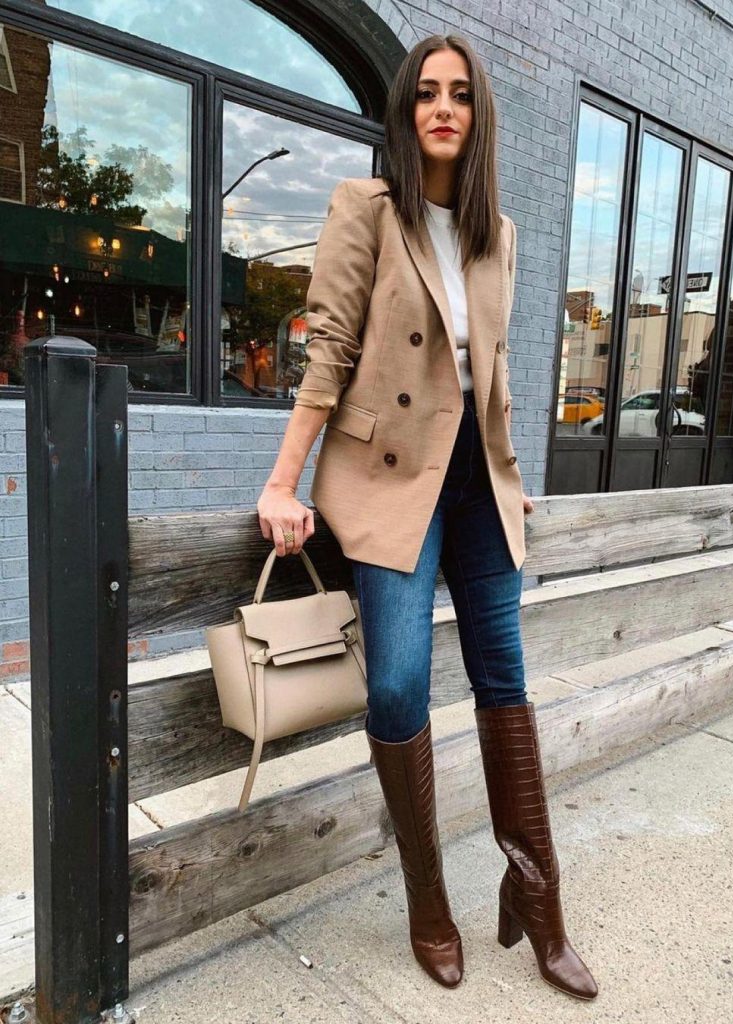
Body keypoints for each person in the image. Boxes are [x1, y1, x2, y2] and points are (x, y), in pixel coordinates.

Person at [256, 33, 598, 1001]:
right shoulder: (364, 207)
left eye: (460, 95)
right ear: (406, 112)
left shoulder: (500, 234)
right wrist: (282, 482)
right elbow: (328, 351)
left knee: (505, 682)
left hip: (478, 487)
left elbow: (491, 375)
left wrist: (506, 469)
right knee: (400, 686)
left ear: (478, 115)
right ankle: (427, 901)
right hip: (388, 480)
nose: (443, 108)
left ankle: (539, 898)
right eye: (426, 94)